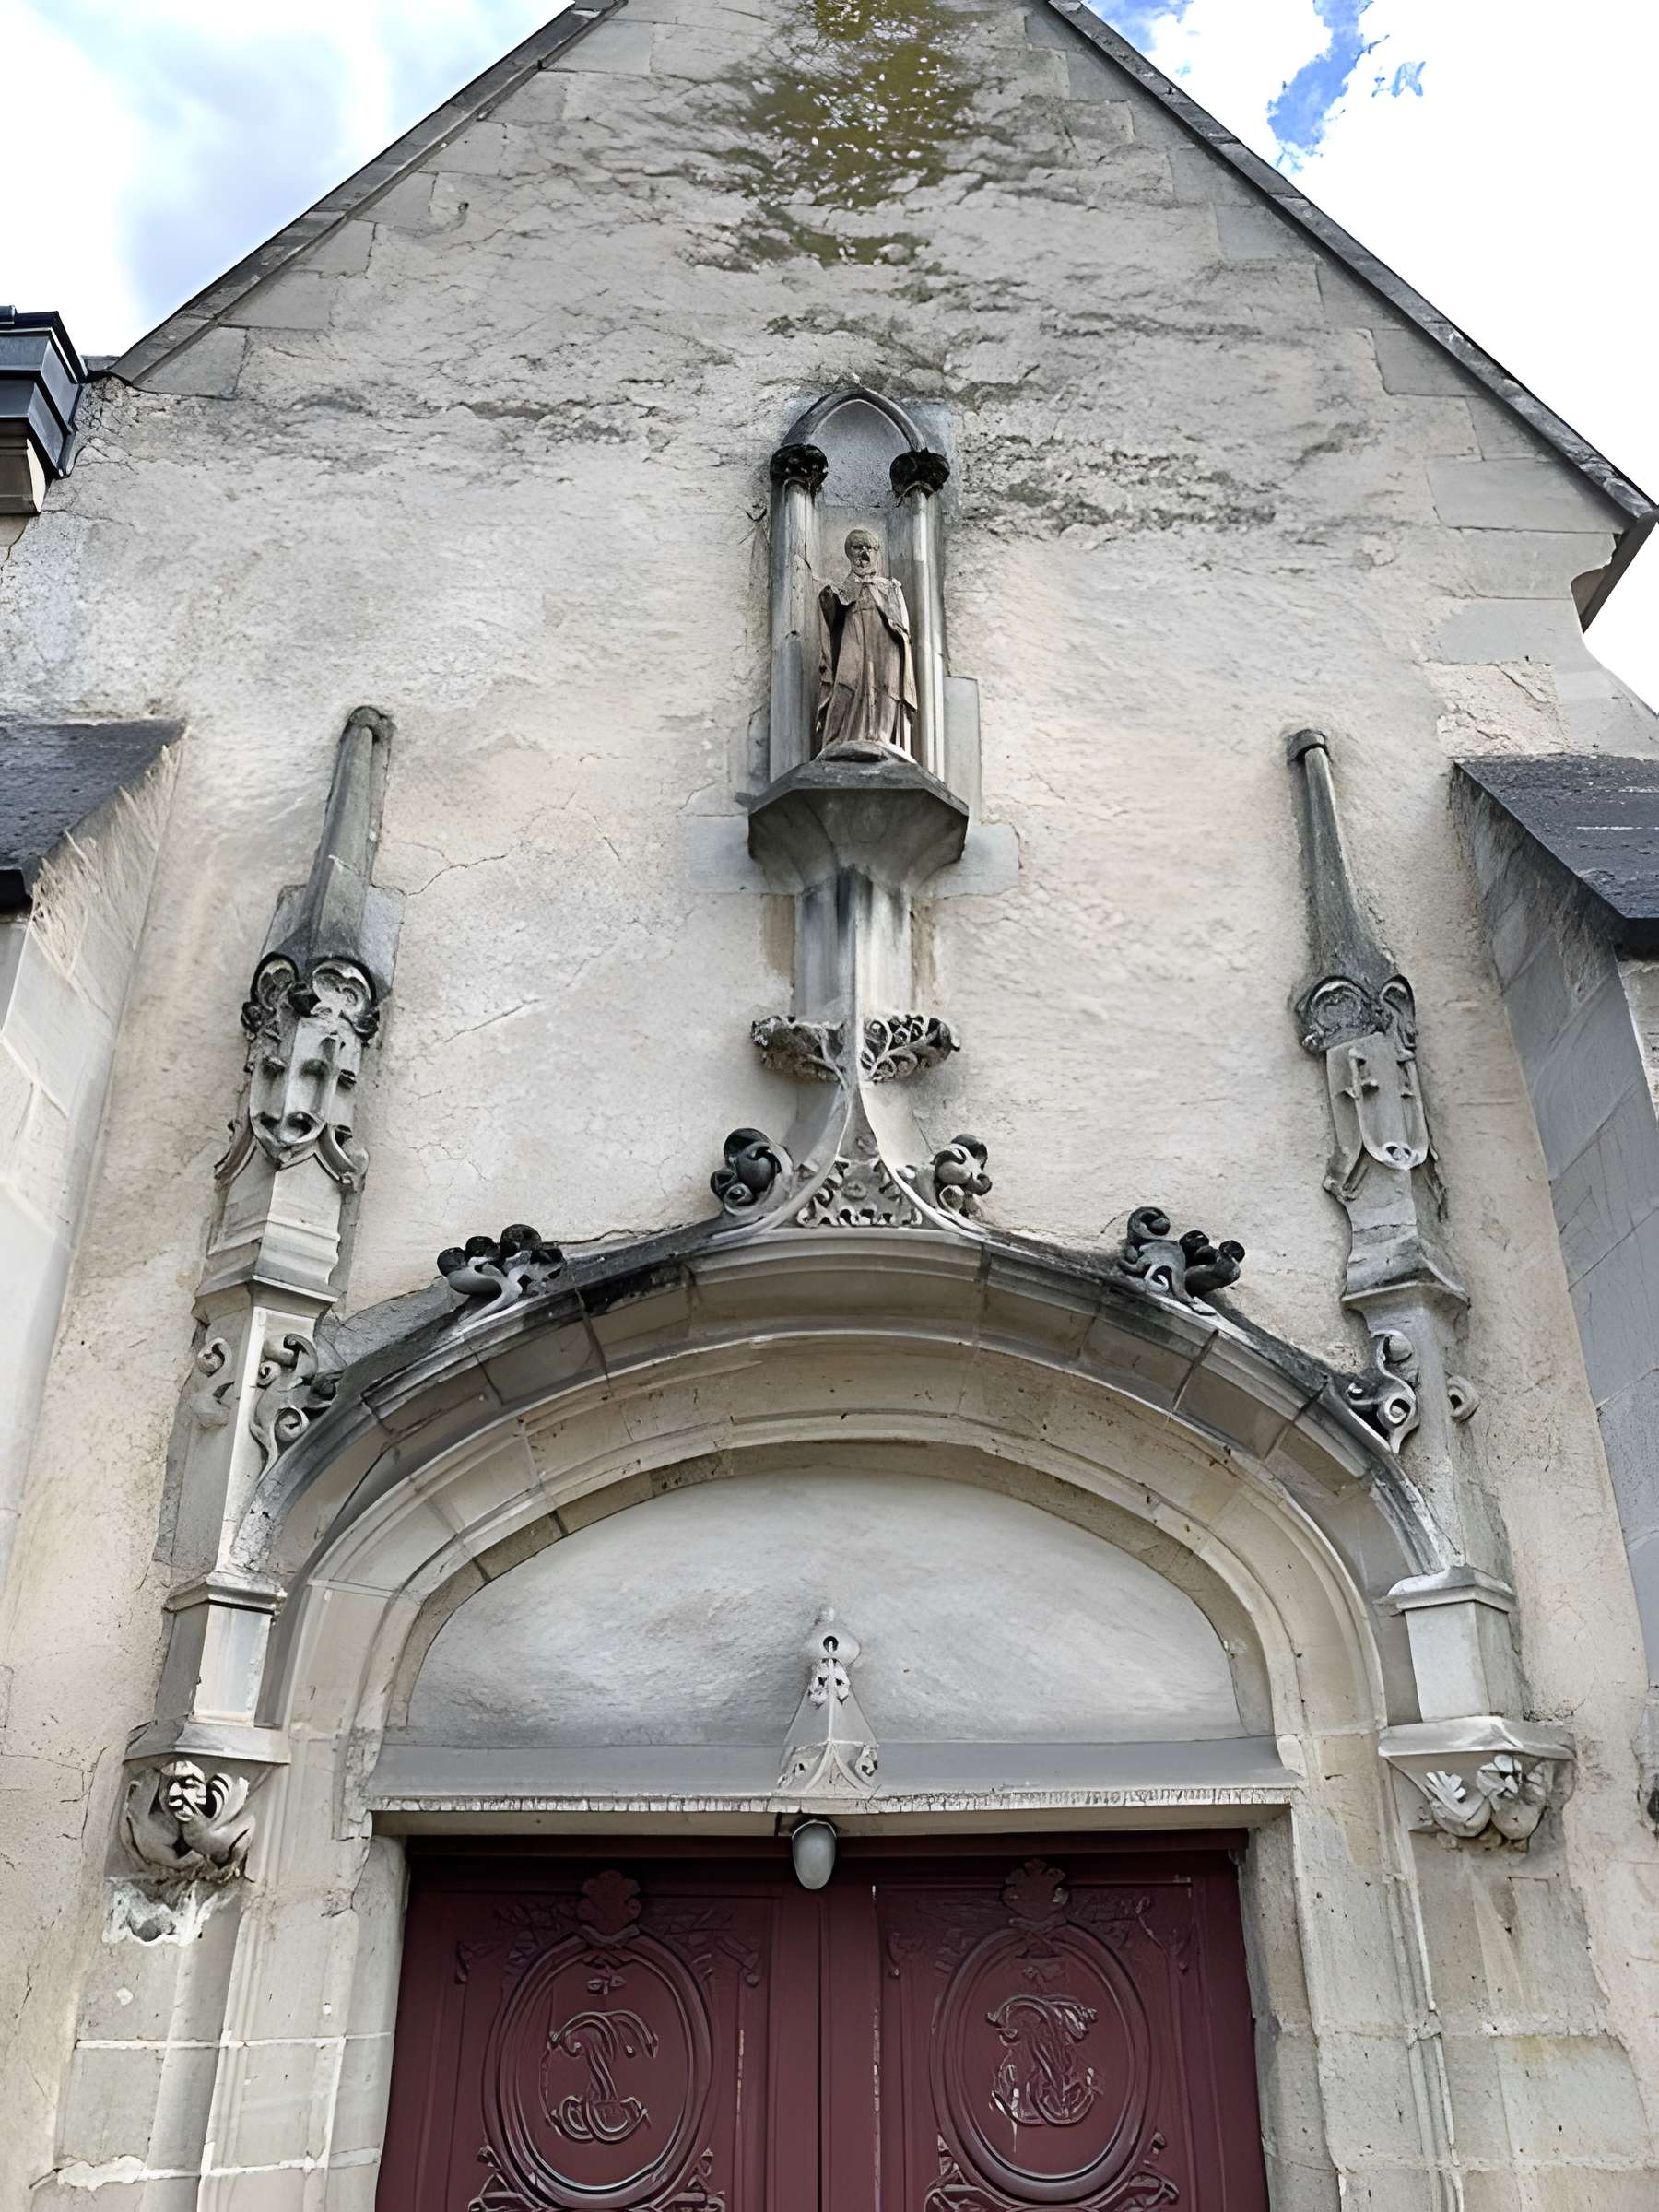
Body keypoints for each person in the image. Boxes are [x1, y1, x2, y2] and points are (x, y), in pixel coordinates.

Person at [817, 527, 916, 757]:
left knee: (886, 684)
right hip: (854, 640)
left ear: (876, 553)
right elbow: (830, 622)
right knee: (847, 682)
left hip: (885, 644)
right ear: (849, 554)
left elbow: (902, 626)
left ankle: (882, 737)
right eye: (857, 547)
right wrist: (830, 600)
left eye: (868, 548)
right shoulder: (842, 589)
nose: (863, 553)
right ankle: (838, 740)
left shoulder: (890, 587)